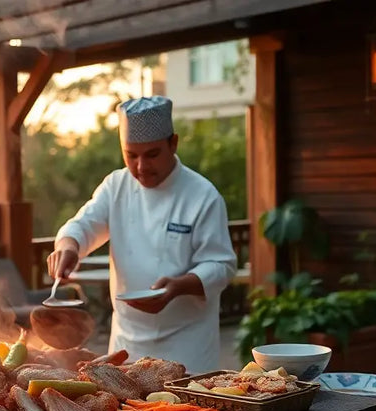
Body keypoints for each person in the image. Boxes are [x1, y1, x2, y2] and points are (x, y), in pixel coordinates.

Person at [46, 95, 237, 374]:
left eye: (152, 155)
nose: (141, 167)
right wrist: (69, 247)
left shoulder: (202, 195)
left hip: (186, 345)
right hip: (126, 344)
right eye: (131, 155)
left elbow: (221, 265)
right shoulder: (116, 186)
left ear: (173, 143)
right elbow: (82, 225)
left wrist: (178, 286)